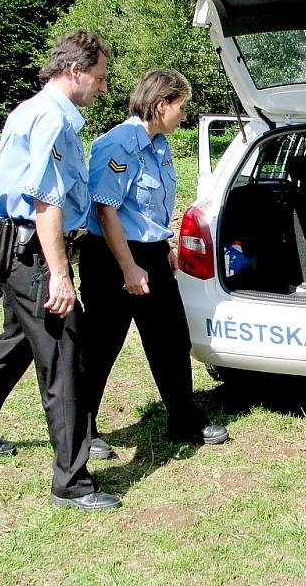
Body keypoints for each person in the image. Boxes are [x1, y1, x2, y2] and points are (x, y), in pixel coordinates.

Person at [0, 30, 122, 512]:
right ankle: (72, 480)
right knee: (66, 356)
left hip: (11, 247)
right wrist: (60, 275)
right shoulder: (51, 117)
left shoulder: (29, 109)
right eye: (100, 78)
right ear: (75, 71)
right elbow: (45, 200)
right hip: (34, 250)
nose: (103, 88)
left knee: (19, 340)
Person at [79, 69, 228, 460]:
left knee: (170, 339)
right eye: (181, 107)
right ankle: (82, 429)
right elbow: (107, 212)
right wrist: (129, 268)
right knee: (100, 346)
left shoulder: (158, 144)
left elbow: (146, 209)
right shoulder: (118, 145)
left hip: (148, 254)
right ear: (161, 104)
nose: (184, 115)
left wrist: (163, 246)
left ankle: (182, 419)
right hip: (112, 258)